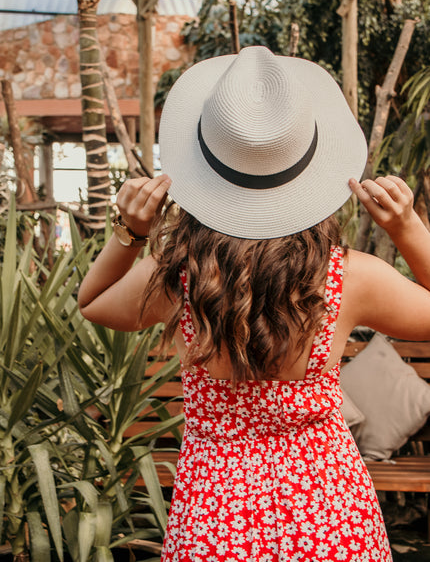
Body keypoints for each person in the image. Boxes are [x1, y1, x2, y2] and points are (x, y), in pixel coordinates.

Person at [78, 46, 430, 562]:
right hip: (329, 512)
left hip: (214, 514)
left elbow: (93, 303)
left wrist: (130, 232)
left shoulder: (183, 277)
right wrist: (406, 227)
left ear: (206, 170)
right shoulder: (347, 276)